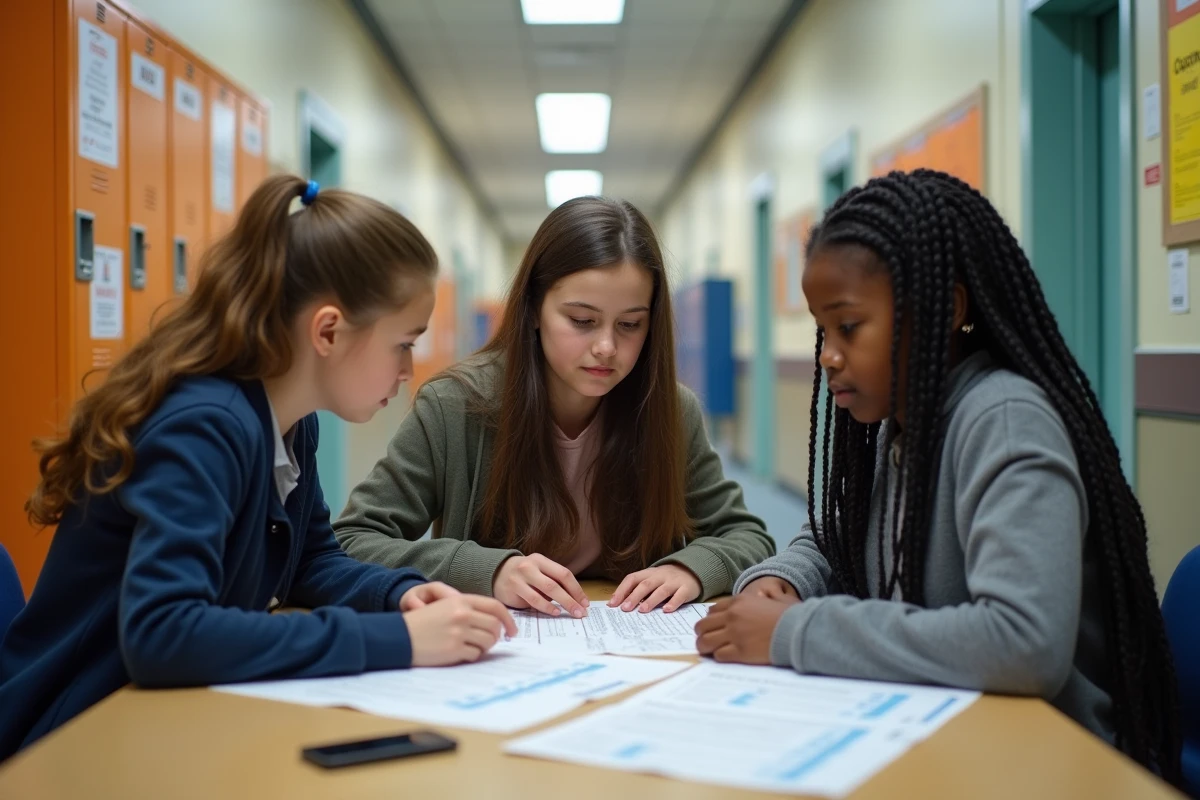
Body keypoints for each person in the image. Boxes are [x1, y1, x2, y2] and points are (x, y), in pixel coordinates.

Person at [0, 176, 514, 760]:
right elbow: (163, 632)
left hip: (163, 717)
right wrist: (395, 640)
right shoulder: (205, 425)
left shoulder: (292, 422)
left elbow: (311, 561)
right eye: (403, 343)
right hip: (71, 731)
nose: (408, 368)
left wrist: (399, 595)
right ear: (328, 331)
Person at [696, 169, 1182, 782]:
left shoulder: (1003, 420)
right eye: (823, 330)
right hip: (945, 724)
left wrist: (797, 630)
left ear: (945, 309)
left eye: (849, 327)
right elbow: (837, 536)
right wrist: (784, 584)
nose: (827, 355)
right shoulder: (903, 425)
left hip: (1047, 759)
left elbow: (1023, 643)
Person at [335, 196, 773, 618]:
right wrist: (489, 569)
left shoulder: (672, 412)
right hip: (496, 647)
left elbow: (747, 535)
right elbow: (353, 540)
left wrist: (692, 568)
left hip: (625, 641)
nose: (606, 347)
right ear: (533, 310)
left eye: (630, 324)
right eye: (581, 321)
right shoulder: (454, 405)